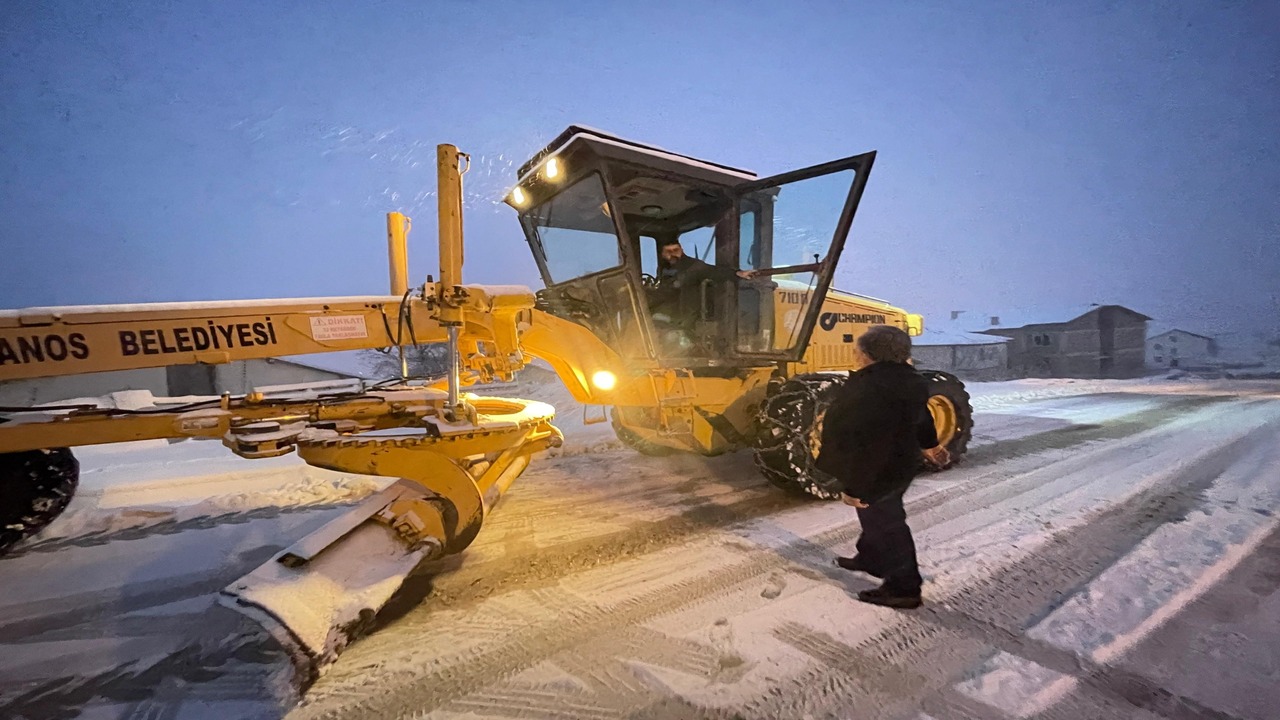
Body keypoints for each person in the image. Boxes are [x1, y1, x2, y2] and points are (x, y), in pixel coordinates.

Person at [815, 324, 950, 609]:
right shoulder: (907, 380)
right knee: (878, 515)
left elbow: (860, 439)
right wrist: (931, 445)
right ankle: (872, 558)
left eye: (858, 349)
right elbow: (921, 416)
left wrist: (854, 485)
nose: (855, 353)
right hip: (899, 464)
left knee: (888, 523)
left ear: (868, 354)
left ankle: (904, 588)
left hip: (876, 467)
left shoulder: (870, 387)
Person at [648, 238, 756, 342]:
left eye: (675, 250)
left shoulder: (694, 267)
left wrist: (737, 273)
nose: (672, 254)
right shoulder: (664, 269)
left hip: (685, 314)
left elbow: (713, 271)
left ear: (681, 250)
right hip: (670, 309)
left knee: (654, 322)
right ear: (662, 254)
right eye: (668, 251)